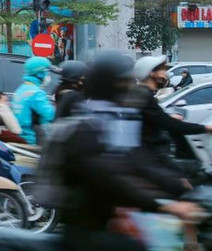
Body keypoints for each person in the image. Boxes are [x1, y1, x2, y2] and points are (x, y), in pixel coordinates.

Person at [37, 51, 202, 250]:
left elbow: (135, 161)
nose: (131, 86)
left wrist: (175, 182)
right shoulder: (87, 127)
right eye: (126, 81)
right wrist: (165, 205)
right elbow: (111, 175)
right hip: (85, 231)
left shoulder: (115, 118)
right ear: (112, 84)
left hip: (112, 219)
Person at [126, 55, 211, 179]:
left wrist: (169, 117)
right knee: (198, 172)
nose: (166, 74)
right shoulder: (144, 95)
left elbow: (155, 118)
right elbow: (171, 125)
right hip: (152, 158)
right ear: (152, 73)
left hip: (151, 156)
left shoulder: (142, 93)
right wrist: (205, 128)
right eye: (163, 70)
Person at [11, 56, 56, 145]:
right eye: (47, 73)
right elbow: (50, 115)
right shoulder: (36, 93)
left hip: (21, 137)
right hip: (33, 140)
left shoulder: (20, 90)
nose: (48, 76)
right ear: (40, 74)